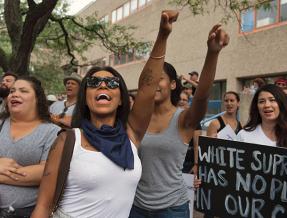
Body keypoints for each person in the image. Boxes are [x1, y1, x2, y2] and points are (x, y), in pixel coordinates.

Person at [31, 10, 178, 218]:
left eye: (111, 83)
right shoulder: (68, 140)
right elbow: (43, 206)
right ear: (86, 97)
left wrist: (163, 36)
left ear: (121, 99)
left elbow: (147, 87)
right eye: (93, 83)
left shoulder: (132, 135)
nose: (102, 85)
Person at [130, 24, 229, 217]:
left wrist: (212, 53)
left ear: (173, 84)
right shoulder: (135, 118)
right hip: (136, 207)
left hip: (172, 209)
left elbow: (201, 96)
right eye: (151, 80)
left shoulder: (184, 119)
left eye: (161, 78)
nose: (154, 84)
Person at [0, 76, 60, 217]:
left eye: (23, 91)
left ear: (37, 99)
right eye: (12, 91)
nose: (14, 94)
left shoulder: (52, 132)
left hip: (25, 212)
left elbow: (44, 173)